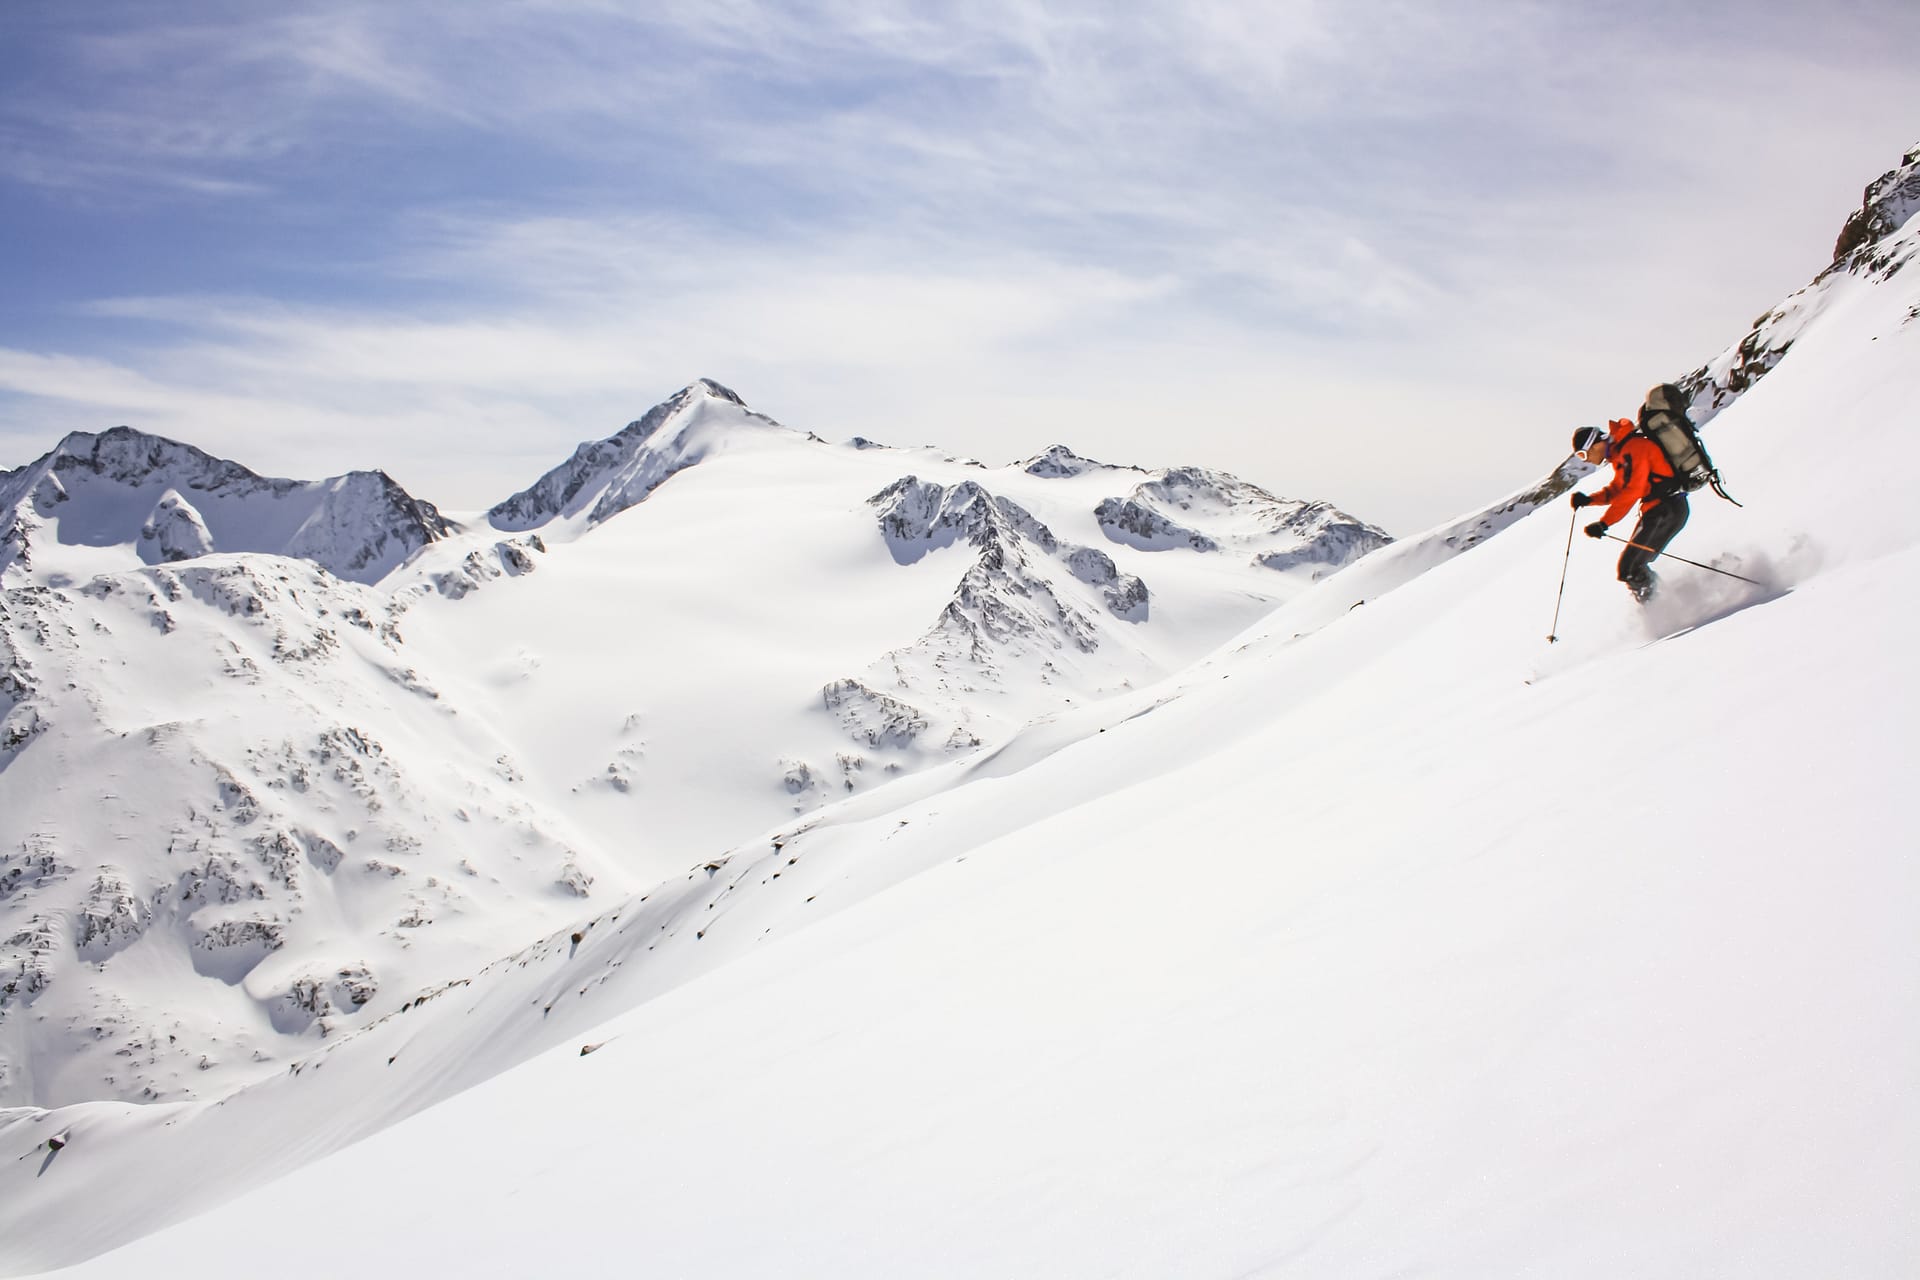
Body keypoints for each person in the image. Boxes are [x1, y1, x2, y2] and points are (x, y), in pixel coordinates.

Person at [1567, 387, 1691, 603]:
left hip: (1666, 510)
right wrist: (1589, 500)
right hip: (1661, 510)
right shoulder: (1623, 455)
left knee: (1630, 568)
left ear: (1597, 444)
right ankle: (1666, 603)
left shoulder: (1633, 449)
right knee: (1631, 567)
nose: (1584, 459)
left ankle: (1663, 607)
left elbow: (1632, 491)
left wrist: (1604, 523)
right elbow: (1618, 489)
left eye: (1583, 453)